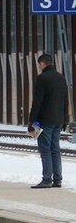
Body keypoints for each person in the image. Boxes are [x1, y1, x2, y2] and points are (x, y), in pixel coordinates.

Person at [27, 53, 69, 189]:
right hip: (58, 120)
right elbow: (65, 101)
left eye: (39, 64)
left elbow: (37, 102)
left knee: (45, 150)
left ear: (42, 64)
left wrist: (31, 123)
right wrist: (65, 119)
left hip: (45, 120)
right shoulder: (61, 78)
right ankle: (57, 180)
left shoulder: (42, 78)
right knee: (55, 149)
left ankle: (47, 180)